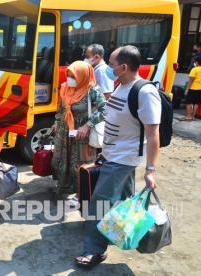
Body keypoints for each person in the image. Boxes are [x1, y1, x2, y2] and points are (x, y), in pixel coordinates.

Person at [75, 45, 161, 267]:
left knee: (99, 203)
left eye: (111, 65)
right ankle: (118, 232)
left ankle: (94, 250)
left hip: (123, 158)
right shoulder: (120, 86)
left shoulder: (144, 92)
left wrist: (151, 170)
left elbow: (153, 134)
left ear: (123, 67)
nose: (107, 68)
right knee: (123, 199)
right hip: (112, 154)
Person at [51, 61, 106, 198]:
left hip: (82, 134)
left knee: (80, 162)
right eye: (68, 75)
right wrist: (56, 122)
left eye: (74, 76)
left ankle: (82, 191)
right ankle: (63, 187)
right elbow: (61, 110)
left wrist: (88, 125)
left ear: (83, 76)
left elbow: (105, 110)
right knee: (62, 159)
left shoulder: (92, 91)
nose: (70, 79)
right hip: (64, 132)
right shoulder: (65, 88)